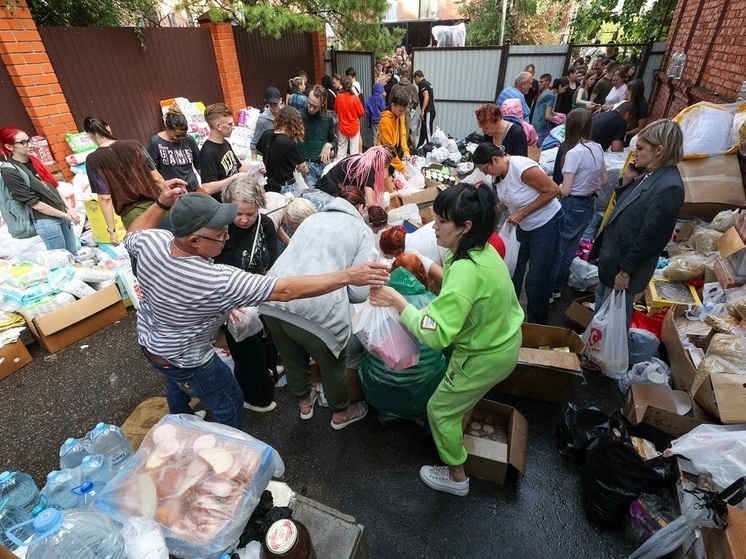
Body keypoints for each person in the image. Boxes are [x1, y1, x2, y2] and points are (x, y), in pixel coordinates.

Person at [124, 188, 389, 429]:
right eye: (220, 234)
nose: (227, 238)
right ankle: (228, 459)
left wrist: (160, 203)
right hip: (190, 358)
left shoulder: (153, 243)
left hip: (151, 346)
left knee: (175, 382)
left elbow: (132, 232)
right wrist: (349, 276)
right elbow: (284, 290)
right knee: (229, 403)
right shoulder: (217, 280)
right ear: (194, 240)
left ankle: (181, 420)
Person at [369, 183, 524, 497]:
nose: (433, 226)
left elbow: (436, 334)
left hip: (483, 356)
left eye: (441, 221)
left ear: (465, 226)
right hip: (502, 341)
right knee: (455, 400)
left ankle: (457, 477)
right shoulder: (479, 251)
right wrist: (424, 267)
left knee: (438, 411)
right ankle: (463, 411)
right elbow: (454, 289)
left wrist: (397, 300)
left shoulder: (467, 269)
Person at [260, 185, 380, 430]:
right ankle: (340, 413)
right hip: (317, 313)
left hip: (273, 299)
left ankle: (305, 404)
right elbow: (358, 292)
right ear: (360, 208)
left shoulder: (312, 219)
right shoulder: (362, 231)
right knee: (333, 366)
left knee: (293, 359)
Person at [589, 120, 685, 326]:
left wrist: (626, 271)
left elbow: (652, 237)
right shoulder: (649, 173)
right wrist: (627, 181)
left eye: (640, 149)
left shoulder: (669, 186)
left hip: (624, 268)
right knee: (601, 320)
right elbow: (624, 208)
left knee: (610, 326)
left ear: (659, 150)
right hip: (613, 261)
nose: (635, 154)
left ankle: (603, 358)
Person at [472, 143, 563, 324]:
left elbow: (554, 190)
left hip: (546, 224)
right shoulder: (499, 174)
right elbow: (508, 199)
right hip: (523, 225)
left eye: (485, 169)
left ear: (495, 159)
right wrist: (489, 213)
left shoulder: (521, 168)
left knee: (537, 279)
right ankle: (509, 315)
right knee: (513, 270)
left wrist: (522, 213)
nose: (486, 173)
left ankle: (537, 325)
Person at [215, 176, 279, 412]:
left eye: (249, 214)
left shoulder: (266, 225)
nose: (243, 220)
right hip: (231, 301)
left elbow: (272, 262)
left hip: (259, 294)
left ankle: (270, 370)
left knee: (266, 339)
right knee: (247, 350)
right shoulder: (218, 228)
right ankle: (254, 397)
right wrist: (226, 304)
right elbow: (208, 269)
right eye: (238, 214)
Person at [357, 262, 447, 423]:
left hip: (379, 392)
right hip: (422, 394)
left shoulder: (376, 302)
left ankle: (388, 410)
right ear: (422, 276)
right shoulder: (435, 303)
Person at [84, 116, 183, 233]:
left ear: (89, 135)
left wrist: (112, 231)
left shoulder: (92, 160)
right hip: (159, 208)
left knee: (147, 250)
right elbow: (157, 179)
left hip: (134, 218)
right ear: (108, 128)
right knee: (173, 245)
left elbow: (105, 198)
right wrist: (178, 205)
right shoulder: (134, 145)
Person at [551, 109, 607, 303]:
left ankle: (550, 290)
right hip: (590, 203)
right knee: (570, 248)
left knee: (558, 248)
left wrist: (554, 187)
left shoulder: (574, 153)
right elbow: (605, 180)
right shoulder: (598, 147)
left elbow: (565, 190)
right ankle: (556, 288)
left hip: (572, 203)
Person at [0, 127, 79, 252]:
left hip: (62, 214)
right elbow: (33, 203)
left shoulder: (34, 161)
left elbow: (53, 187)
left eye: (29, 140)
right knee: (61, 261)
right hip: (46, 220)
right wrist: (65, 215)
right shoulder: (9, 170)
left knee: (74, 254)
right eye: (23, 142)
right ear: (9, 147)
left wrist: (70, 210)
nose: (30, 145)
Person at [199, 103, 250, 200]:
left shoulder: (225, 142)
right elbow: (207, 188)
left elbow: (238, 167)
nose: (233, 127)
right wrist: (234, 179)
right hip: (224, 205)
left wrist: (256, 167)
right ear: (218, 126)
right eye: (230, 124)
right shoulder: (207, 153)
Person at [317, 145, 397, 207]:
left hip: (324, 183)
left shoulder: (362, 158)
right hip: (328, 190)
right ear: (382, 161)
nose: (387, 167)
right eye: (387, 164)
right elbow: (371, 204)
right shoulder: (369, 169)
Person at [146, 106, 201, 192]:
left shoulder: (189, 139)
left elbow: (199, 165)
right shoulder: (156, 142)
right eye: (177, 136)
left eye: (184, 135)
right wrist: (166, 191)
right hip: (172, 191)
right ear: (167, 128)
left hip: (191, 188)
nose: (180, 138)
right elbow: (153, 172)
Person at [256, 106, 307, 194]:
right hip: (286, 187)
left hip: (268, 184)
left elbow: (259, 150)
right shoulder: (289, 143)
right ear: (294, 123)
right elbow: (304, 169)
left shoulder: (266, 134)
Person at [298, 85, 337, 189]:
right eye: (309, 104)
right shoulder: (299, 116)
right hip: (306, 165)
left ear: (323, 104)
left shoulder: (328, 119)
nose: (311, 109)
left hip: (323, 165)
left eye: (315, 106)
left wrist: (329, 145)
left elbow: (333, 140)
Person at [377, 91, 411, 180]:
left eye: (404, 110)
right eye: (400, 110)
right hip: (384, 154)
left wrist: (406, 151)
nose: (402, 113)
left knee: (393, 177)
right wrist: (402, 169)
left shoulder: (400, 115)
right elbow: (389, 150)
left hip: (394, 150)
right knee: (384, 180)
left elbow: (403, 133)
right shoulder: (385, 121)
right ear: (392, 105)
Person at [531, 77, 569, 145]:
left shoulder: (546, 91)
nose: (564, 91)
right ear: (560, 86)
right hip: (541, 126)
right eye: (564, 88)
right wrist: (559, 120)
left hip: (535, 124)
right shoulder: (552, 96)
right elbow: (547, 116)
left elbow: (542, 108)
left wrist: (553, 113)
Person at [335, 77, 366, 160]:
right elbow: (362, 112)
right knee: (354, 150)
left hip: (342, 126)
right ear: (351, 86)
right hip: (354, 126)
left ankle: (339, 167)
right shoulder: (355, 98)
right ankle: (353, 169)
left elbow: (336, 111)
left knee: (341, 148)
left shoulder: (338, 97)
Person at [390, 67, 419, 149]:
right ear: (407, 76)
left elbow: (390, 101)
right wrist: (410, 108)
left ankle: (395, 150)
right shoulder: (412, 87)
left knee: (395, 132)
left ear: (400, 76)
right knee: (405, 133)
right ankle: (403, 151)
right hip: (407, 111)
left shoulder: (395, 87)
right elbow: (416, 101)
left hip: (395, 112)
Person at [250, 87, 283, 152]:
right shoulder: (262, 121)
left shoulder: (286, 114)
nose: (273, 106)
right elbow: (254, 145)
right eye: (271, 104)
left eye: (275, 104)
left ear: (281, 100)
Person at [414, 70, 436, 149]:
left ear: (417, 77)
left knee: (427, 131)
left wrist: (423, 111)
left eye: (415, 80)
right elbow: (433, 99)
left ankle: (431, 150)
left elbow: (426, 97)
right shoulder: (428, 84)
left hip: (428, 111)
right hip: (431, 110)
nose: (415, 82)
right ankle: (419, 147)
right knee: (423, 130)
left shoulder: (422, 84)